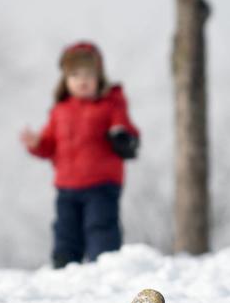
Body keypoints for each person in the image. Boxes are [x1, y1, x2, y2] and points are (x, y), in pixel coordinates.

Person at [20, 41, 140, 268]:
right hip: (67, 186)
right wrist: (35, 143)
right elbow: (48, 145)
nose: (82, 80)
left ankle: (104, 266)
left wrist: (122, 137)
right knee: (66, 230)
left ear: (99, 77)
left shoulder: (110, 105)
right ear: (65, 80)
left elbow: (126, 131)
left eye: (88, 74)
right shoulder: (60, 111)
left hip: (101, 184)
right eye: (75, 75)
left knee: (100, 226)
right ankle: (64, 268)